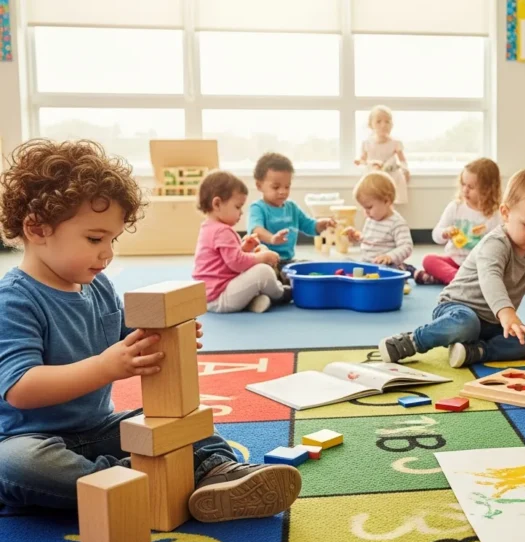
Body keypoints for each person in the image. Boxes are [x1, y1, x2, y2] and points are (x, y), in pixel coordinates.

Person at [0, 139, 301, 519]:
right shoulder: (15, 299)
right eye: (95, 239)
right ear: (36, 227)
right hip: (30, 438)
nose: (107, 253)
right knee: (17, 466)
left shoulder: (97, 285)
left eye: (112, 239)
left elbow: (130, 332)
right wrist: (107, 367)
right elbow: (21, 389)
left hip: (99, 426)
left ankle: (218, 471)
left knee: (179, 423)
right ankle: (137, 482)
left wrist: (167, 335)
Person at [379, 168, 525, 368]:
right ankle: (414, 340)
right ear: (506, 214)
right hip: (457, 309)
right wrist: (506, 312)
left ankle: (476, 352)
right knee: (467, 324)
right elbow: (490, 278)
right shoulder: (496, 243)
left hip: (494, 322)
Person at [193, 171, 291, 313]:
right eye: (237, 207)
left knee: (256, 262)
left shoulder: (208, 227)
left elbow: (225, 262)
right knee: (263, 271)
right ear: (217, 204)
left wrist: (244, 248)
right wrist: (261, 258)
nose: (241, 213)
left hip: (208, 298)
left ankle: (252, 302)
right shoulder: (222, 231)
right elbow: (237, 264)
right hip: (220, 296)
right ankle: (280, 293)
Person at [248, 152, 335, 282]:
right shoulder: (258, 208)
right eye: (276, 187)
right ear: (259, 186)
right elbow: (256, 230)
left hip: (287, 261)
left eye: (287, 186)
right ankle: (279, 287)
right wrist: (272, 238)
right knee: (265, 275)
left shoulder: (292, 207)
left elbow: (307, 225)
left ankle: (284, 285)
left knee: (310, 267)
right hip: (265, 262)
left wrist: (319, 225)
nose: (282, 191)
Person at [416, 158, 503, 285]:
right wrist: (445, 233)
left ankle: (450, 279)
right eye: (463, 184)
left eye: (471, 187)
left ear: (488, 189)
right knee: (428, 260)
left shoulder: (494, 215)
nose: (465, 190)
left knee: (496, 271)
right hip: (454, 261)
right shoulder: (456, 207)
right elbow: (436, 235)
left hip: (477, 266)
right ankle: (460, 281)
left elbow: (497, 248)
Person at [343, 170, 415, 273]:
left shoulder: (397, 223)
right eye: (364, 208)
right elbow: (369, 241)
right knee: (345, 262)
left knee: (387, 269)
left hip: (386, 266)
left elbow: (406, 247)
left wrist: (389, 257)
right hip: (367, 263)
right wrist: (356, 236)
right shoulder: (371, 219)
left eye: (369, 207)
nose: (366, 212)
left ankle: (408, 271)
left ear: (387, 201)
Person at [354, 105, 411, 204]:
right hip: (373, 176)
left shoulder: (395, 143)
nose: (383, 125)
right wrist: (360, 162)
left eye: (387, 122)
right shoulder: (367, 143)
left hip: (391, 176)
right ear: (371, 125)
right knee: (373, 200)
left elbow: (402, 160)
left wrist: (405, 170)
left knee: (388, 201)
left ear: (391, 125)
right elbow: (363, 160)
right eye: (378, 121)